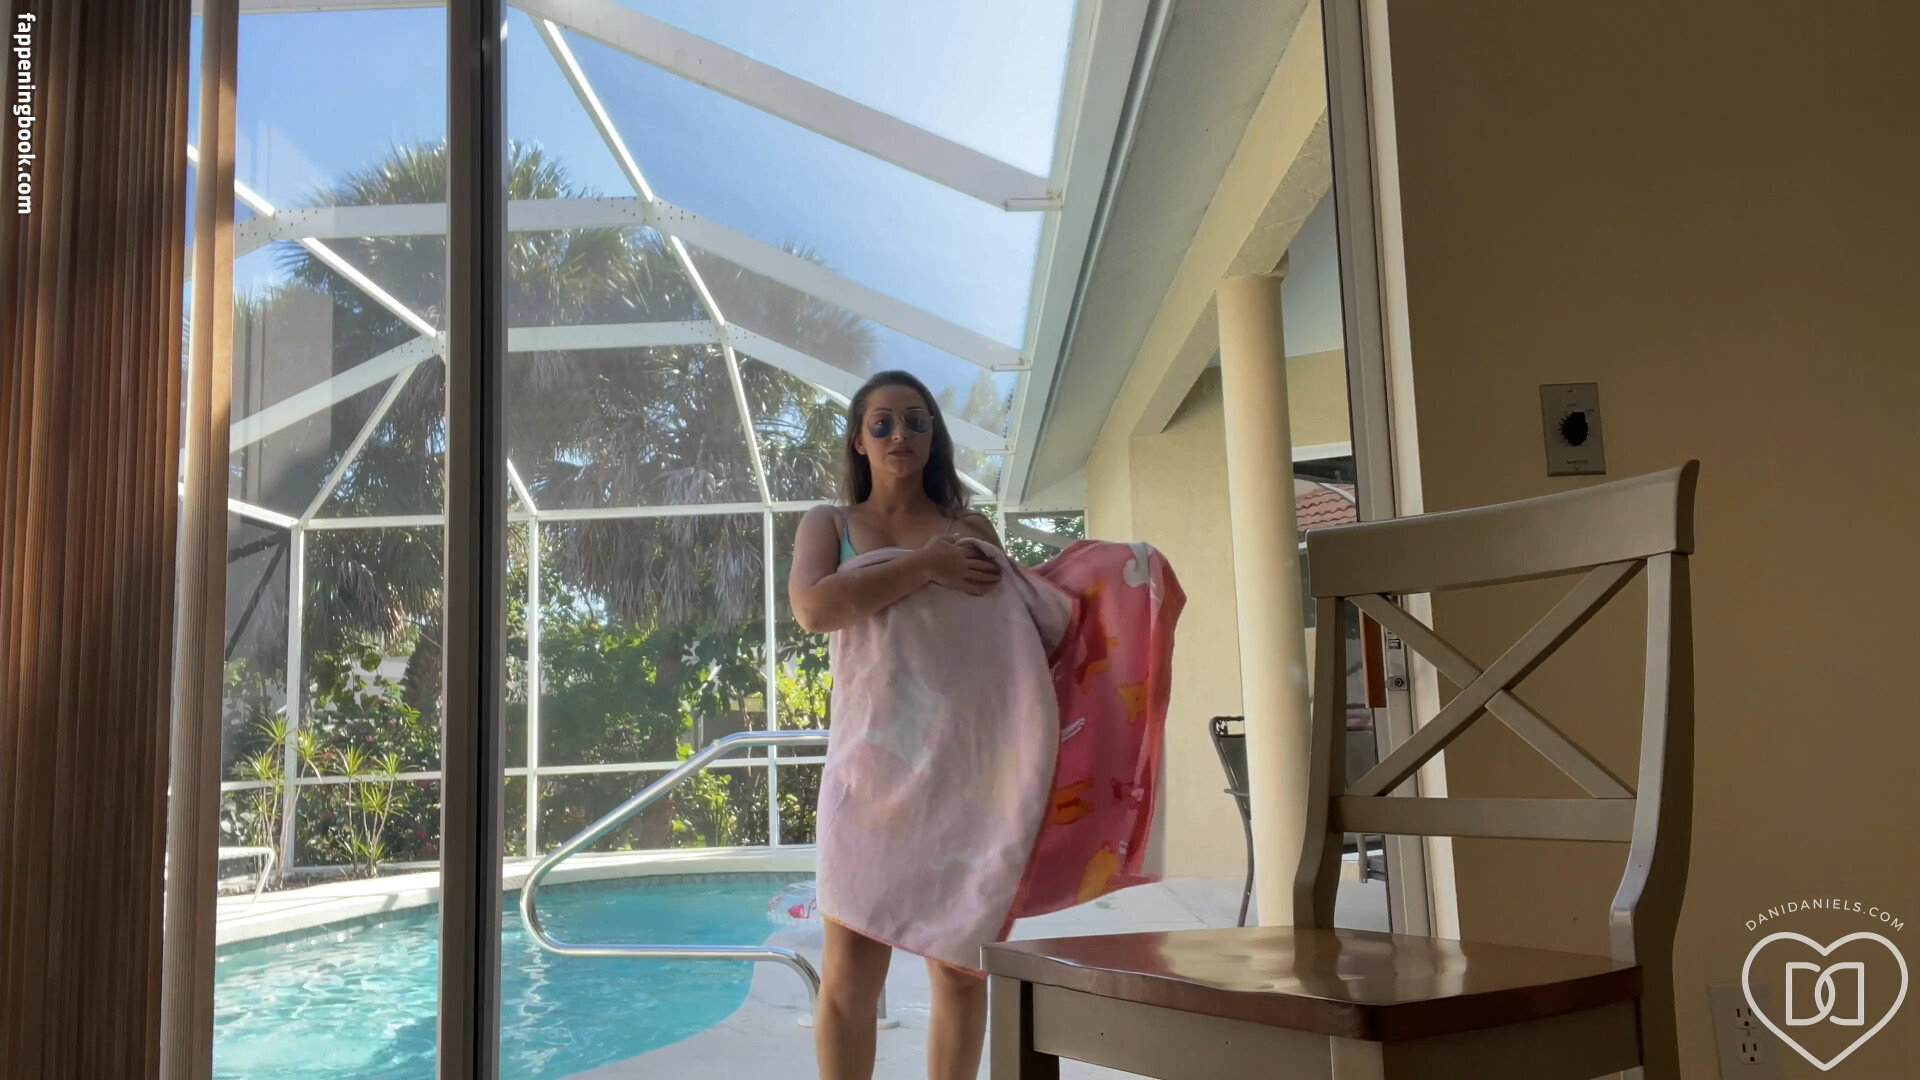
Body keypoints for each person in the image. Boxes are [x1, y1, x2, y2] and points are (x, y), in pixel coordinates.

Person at [787, 370, 1005, 1080]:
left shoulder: (969, 530)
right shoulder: (830, 525)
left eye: (915, 420)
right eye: (880, 423)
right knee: (850, 974)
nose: (898, 434)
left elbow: (1010, 643)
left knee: (961, 972)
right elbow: (815, 609)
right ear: (859, 440)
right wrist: (924, 568)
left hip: (963, 774)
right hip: (866, 774)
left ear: (933, 435)